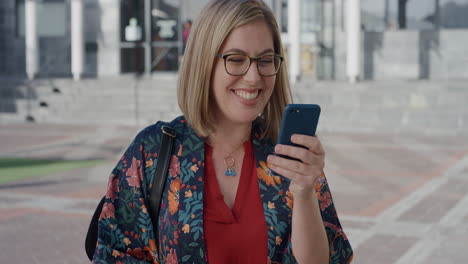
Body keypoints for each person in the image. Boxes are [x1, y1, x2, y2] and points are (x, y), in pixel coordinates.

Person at [92, 0, 353, 263]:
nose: (253, 77)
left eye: (265, 60)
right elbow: (115, 253)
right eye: (236, 59)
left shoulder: (291, 155)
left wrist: (306, 192)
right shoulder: (152, 150)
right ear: (204, 63)